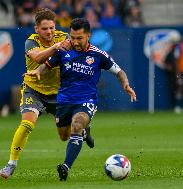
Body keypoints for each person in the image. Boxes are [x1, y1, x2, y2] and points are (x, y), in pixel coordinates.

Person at [26, 18, 137, 181]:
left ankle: (66, 166)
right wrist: (38, 71)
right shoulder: (63, 50)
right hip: (63, 101)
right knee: (64, 136)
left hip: (86, 101)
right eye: (72, 37)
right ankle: (84, 132)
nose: (75, 42)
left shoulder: (98, 55)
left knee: (77, 125)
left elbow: (119, 71)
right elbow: (47, 65)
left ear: (88, 36)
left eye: (79, 38)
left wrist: (125, 85)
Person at [0, 8, 93, 179]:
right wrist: (56, 48)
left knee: (64, 137)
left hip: (59, 94)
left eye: (51, 28)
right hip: (34, 90)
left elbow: (81, 51)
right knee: (27, 124)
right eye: (44, 29)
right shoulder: (31, 42)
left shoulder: (64, 38)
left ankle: (84, 130)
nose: (49, 32)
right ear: (36, 29)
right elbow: (38, 58)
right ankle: (11, 164)